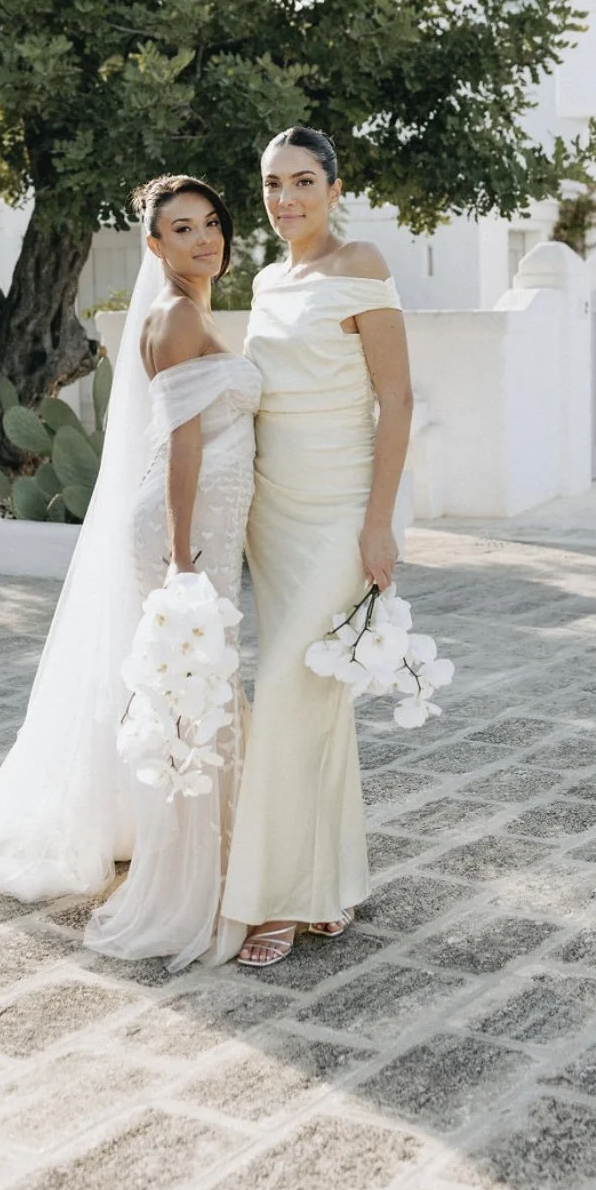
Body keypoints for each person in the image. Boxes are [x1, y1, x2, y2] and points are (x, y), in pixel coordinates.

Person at [0, 176, 259, 972]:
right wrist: (185, 562)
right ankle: (193, 878)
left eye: (212, 224)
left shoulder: (193, 311)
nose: (204, 240)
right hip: (181, 533)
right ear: (154, 247)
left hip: (204, 529)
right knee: (188, 695)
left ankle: (218, 852)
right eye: (182, 230)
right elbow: (182, 447)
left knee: (190, 690)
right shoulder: (177, 316)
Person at [219, 126, 413, 968]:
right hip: (274, 509)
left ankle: (273, 896)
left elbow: (398, 401)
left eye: (303, 182)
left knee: (289, 690)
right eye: (271, 184)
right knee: (315, 696)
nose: (286, 199)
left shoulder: (361, 265)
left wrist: (379, 522)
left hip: (339, 507)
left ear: (335, 189)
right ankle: (328, 885)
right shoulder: (266, 278)